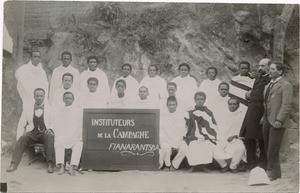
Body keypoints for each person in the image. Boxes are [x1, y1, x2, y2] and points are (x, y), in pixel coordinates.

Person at [7, 88, 55, 173]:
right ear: (34, 96)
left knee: (49, 136)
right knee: (22, 138)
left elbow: (53, 121)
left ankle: (50, 164)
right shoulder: (28, 108)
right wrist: (19, 137)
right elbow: (21, 124)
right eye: (37, 96)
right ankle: (14, 164)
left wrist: (50, 128)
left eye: (41, 96)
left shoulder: (50, 108)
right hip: (32, 132)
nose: (39, 98)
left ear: (44, 96)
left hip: (44, 133)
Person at [262, 62, 293, 181]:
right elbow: (266, 103)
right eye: (269, 68)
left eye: (272, 69)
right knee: (267, 147)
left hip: (277, 121)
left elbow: (286, 105)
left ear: (280, 72)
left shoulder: (286, 85)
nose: (269, 71)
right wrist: (263, 117)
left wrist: (279, 120)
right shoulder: (268, 85)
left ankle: (272, 173)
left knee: (273, 148)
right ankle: (275, 172)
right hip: (266, 120)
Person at [240, 58, 272, 170]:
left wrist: (265, 115)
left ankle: (263, 163)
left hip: (261, 110)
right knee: (249, 137)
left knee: (262, 137)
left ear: (269, 67)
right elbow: (255, 91)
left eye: (263, 66)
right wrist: (248, 93)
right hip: (252, 109)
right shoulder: (258, 77)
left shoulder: (270, 79)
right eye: (259, 66)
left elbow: (268, 98)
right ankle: (251, 163)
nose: (260, 68)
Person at [184, 92, 217, 172]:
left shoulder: (208, 112)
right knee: (193, 144)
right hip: (193, 134)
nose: (200, 101)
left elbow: (212, 125)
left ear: (204, 100)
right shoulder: (190, 112)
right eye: (198, 99)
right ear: (195, 100)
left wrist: (207, 134)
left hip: (205, 135)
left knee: (206, 144)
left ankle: (203, 166)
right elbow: (188, 125)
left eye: (202, 99)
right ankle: (193, 166)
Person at [52, 91, 83, 176]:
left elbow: (79, 124)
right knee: (58, 142)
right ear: (63, 99)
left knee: (79, 144)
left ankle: (72, 167)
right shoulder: (59, 111)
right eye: (66, 98)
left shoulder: (78, 110)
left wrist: (75, 135)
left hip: (74, 136)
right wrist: (59, 134)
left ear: (73, 99)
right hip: (63, 135)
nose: (68, 100)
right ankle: (62, 166)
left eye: (70, 98)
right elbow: (56, 124)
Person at [213, 98, 246, 173]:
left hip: (235, 138)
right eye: (230, 104)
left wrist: (234, 136)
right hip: (222, 137)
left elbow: (242, 130)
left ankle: (233, 166)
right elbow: (217, 127)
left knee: (241, 147)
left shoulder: (241, 115)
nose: (232, 106)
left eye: (234, 104)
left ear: (238, 105)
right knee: (213, 147)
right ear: (228, 105)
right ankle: (224, 166)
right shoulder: (222, 114)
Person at [159, 96, 187, 170]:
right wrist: (163, 139)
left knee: (185, 148)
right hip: (167, 139)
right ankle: (167, 165)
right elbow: (162, 129)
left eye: (173, 105)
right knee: (166, 147)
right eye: (170, 105)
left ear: (176, 105)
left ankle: (174, 165)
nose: (171, 107)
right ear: (167, 105)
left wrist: (178, 139)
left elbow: (182, 130)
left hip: (178, 139)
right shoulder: (163, 116)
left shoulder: (180, 116)